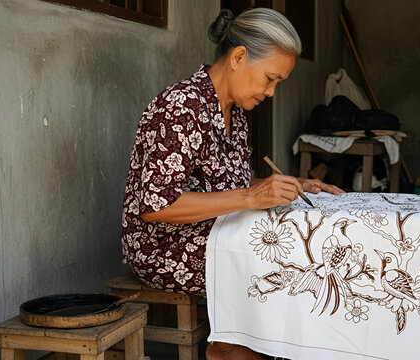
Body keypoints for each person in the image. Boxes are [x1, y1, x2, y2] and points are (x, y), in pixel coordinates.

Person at [120, 7, 344, 359]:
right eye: (270, 78)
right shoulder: (181, 107)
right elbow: (156, 207)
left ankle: (264, 346)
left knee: (309, 252)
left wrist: (291, 185)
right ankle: (228, 346)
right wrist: (252, 196)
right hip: (165, 246)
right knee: (277, 261)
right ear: (239, 57)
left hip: (216, 231)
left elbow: (229, 185)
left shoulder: (235, 111)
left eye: (277, 83)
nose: (271, 92)